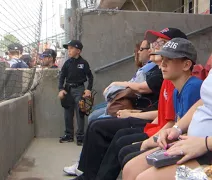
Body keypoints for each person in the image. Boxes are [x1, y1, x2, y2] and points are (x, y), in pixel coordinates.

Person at [65, 28, 187, 179]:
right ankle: (87, 174)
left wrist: (138, 120)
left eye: (161, 43)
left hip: (161, 132)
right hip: (152, 123)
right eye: (154, 43)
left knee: (107, 131)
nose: (154, 46)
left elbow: (174, 123)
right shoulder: (167, 77)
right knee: (98, 124)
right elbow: (164, 116)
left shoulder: (182, 83)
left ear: (185, 62)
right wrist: (134, 114)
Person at [95, 38, 202, 180]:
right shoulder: (177, 89)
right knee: (127, 152)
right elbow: (177, 125)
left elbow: (184, 130)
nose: (162, 64)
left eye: (169, 60)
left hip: (195, 148)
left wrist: (149, 141)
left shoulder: (193, 87)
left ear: (186, 64)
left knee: (128, 153)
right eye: (162, 58)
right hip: (176, 141)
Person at [58, 40, 94, 146]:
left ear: (78, 50)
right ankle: (69, 135)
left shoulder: (84, 63)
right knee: (68, 113)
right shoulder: (67, 63)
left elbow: (90, 77)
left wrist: (88, 89)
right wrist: (61, 89)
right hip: (67, 89)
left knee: (80, 112)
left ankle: (80, 137)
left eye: (71, 49)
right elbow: (62, 77)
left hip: (79, 89)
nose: (68, 51)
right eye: (68, 49)